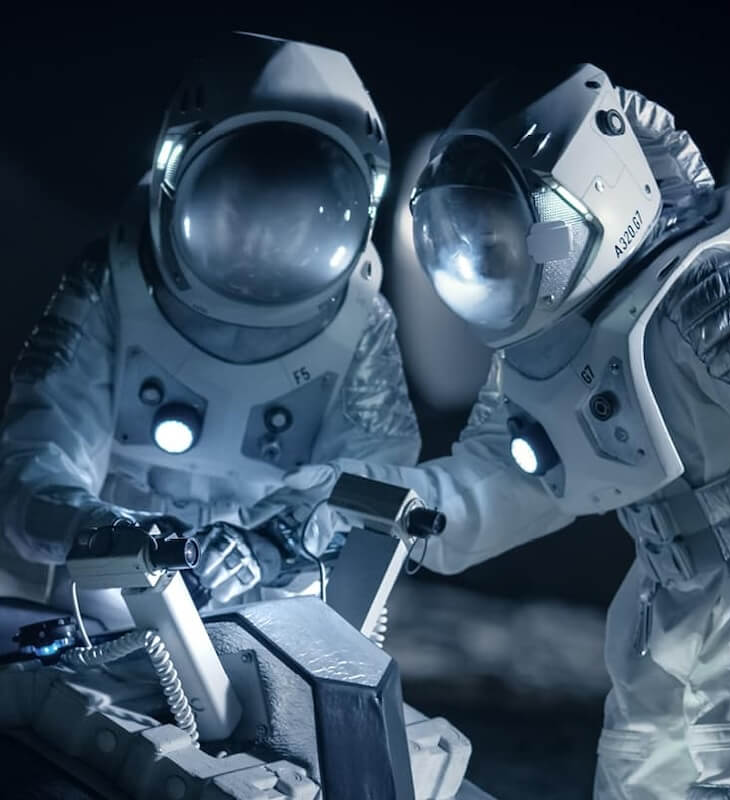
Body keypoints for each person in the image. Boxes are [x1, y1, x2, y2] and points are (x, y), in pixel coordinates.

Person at [266, 65, 730, 798]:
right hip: (663, 623)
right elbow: (491, 490)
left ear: (592, 197)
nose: (491, 258)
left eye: (503, 234)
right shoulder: (543, 350)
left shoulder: (719, 294)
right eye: (476, 239)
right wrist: (335, 497)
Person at [0, 31, 419, 638]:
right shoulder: (116, 283)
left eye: (296, 216)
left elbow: (376, 491)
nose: (263, 246)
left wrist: (270, 546)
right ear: (176, 171)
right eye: (244, 204)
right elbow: (33, 472)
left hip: (276, 633)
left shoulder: (359, 324)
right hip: (98, 622)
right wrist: (119, 537)